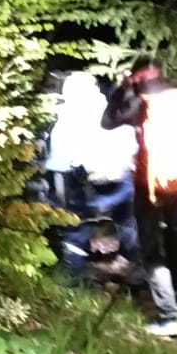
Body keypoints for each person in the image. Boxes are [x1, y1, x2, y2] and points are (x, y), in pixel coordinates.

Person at [103, 57, 177, 333]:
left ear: (137, 77)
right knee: (176, 243)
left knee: (151, 250)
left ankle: (169, 316)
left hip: (150, 187)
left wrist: (124, 88)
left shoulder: (142, 104)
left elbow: (107, 121)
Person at [42, 71, 140, 280]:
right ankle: (135, 264)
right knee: (128, 219)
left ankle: (74, 274)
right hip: (121, 186)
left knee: (73, 225)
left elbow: (59, 165)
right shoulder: (113, 111)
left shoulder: (66, 120)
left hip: (87, 191)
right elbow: (133, 148)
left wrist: (62, 205)